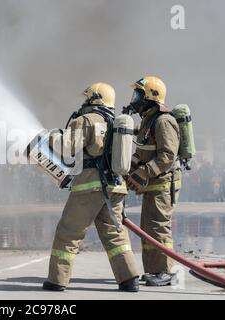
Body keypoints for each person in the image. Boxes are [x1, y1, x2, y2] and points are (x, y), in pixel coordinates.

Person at [43, 83, 140, 292]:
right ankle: (129, 278)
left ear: (96, 98)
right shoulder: (114, 122)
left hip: (90, 186)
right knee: (115, 235)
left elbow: (67, 146)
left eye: (88, 98)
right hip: (114, 187)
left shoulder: (87, 120)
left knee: (69, 231)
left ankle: (57, 280)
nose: (85, 102)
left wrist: (50, 137)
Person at [125, 76, 181, 287]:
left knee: (158, 227)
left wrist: (143, 173)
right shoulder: (148, 121)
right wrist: (128, 170)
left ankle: (165, 272)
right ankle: (154, 270)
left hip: (163, 183)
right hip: (152, 184)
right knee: (148, 228)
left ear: (151, 96)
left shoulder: (163, 121)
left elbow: (167, 156)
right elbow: (142, 153)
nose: (135, 98)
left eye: (139, 94)